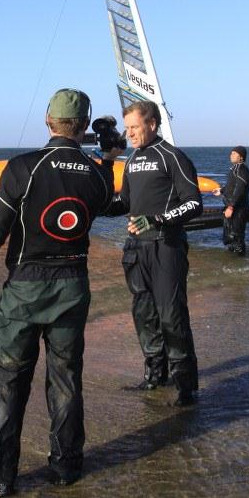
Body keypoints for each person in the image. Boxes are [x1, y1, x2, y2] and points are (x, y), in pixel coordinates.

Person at [0, 89, 114, 497]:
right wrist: (108, 154)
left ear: (48, 121)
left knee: (9, 383)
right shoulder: (95, 175)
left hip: (26, 290)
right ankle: (67, 468)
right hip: (74, 286)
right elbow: (110, 203)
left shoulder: (22, 168)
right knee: (66, 379)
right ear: (84, 126)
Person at [104, 100, 202, 406]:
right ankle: (155, 375)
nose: (129, 133)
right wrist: (96, 202)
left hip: (166, 246)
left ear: (152, 125)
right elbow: (123, 203)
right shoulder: (132, 161)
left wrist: (158, 218)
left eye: (134, 127)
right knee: (144, 315)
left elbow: (193, 203)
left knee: (171, 316)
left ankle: (186, 386)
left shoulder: (172, 157)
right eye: (127, 128)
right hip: (136, 249)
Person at [212, 146, 249, 255]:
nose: (231, 155)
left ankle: (241, 264)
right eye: (231, 153)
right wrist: (221, 190)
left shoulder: (242, 170)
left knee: (237, 238)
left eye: (234, 153)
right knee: (229, 239)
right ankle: (233, 265)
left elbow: (240, 189)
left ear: (241, 157)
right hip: (233, 208)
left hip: (238, 209)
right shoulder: (235, 169)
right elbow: (232, 186)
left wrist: (231, 207)